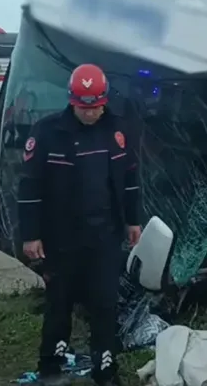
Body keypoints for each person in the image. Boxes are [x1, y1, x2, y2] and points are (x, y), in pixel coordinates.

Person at [18, 63, 142, 386]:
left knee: (105, 304)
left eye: (95, 106)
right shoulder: (47, 132)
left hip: (104, 236)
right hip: (61, 238)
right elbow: (29, 186)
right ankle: (51, 368)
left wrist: (133, 221)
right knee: (59, 305)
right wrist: (30, 235)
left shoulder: (118, 130)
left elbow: (130, 179)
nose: (90, 113)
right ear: (72, 101)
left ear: (105, 100)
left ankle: (105, 369)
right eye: (83, 107)